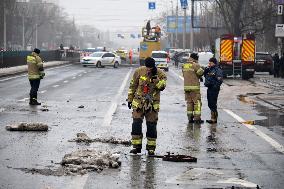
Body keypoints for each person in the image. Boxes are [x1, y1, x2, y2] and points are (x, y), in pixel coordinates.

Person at [127, 57, 167, 155]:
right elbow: (133, 86)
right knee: (136, 123)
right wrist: (130, 99)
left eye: (150, 68)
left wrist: (155, 79)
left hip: (152, 104)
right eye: (147, 67)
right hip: (139, 103)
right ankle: (136, 147)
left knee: (151, 125)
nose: (148, 69)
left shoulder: (160, 73)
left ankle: (151, 148)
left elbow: (162, 87)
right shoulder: (139, 71)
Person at [182, 53, 204, 124]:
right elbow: (201, 73)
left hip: (186, 87)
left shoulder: (184, 65)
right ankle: (197, 119)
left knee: (189, 103)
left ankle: (190, 118)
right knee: (197, 103)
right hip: (194, 88)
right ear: (195, 59)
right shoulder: (195, 65)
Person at [204, 57, 223, 124]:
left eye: (210, 63)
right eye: (209, 63)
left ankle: (214, 119)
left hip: (214, 89)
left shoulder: (217, 70)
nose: (209, 64)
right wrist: (205, 71)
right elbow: (206, 77)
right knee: (210, 103)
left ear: (214, 63)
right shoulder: (210, 69)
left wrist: (215, 87)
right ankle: (212, 118)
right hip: (209, 88)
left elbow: (219, 80)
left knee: (213, 103)